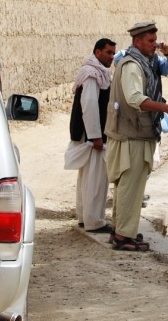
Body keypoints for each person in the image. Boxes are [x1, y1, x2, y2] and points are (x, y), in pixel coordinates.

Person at [105, 21, 168, 251]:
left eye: (155, 41)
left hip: (132, 133)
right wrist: (167, 108)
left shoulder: (145, 62)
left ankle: (120, 231)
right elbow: (134, 98)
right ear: (137, 41)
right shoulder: (132, 65)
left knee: (126, 187)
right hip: (133, 135)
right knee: (131, 187)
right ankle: (123, 236)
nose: (154, 45)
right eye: (150, 42)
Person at [64, 38, 117, 234]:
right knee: (96, 178)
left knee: (87, 177)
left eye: (113, 53)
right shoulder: (93, 74)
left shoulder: (96, 72)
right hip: (93, 136)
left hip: (90, 135)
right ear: (97, 52)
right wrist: (95, 136)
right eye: (108, 52)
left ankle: (84, 217)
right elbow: (90, 106)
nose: (111, 56)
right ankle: (94, 221)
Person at [114, 41, 168, 168]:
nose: (153, 45)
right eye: (149, 41)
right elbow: (117, 59)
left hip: (152, 119)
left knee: (148, 164)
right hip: (134, 120)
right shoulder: (129, 60)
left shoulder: (155, 61)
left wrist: (167, 53)